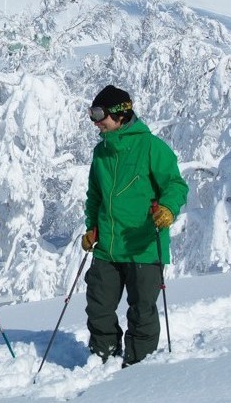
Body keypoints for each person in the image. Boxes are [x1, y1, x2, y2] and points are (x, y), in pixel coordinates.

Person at [80, 85, 188, 367]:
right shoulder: (101, 153)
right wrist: (92, 228)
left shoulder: (151, 146)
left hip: (143, 245)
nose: (95, 122)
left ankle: (138, 366)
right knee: (99, 307)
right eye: (92, 114)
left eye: (99, 114)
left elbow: (175, 185)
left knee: (141, 311)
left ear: (120, 114)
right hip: (108, 247)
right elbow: (95, 197)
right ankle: (104, 357)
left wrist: (168, 208)